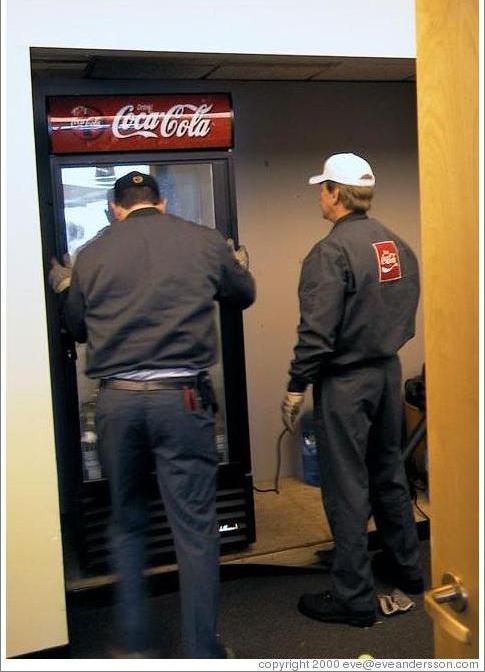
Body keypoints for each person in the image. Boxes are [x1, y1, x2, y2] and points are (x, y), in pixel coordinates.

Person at [49, 171, 255, 658]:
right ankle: (201, 653)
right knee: (194, 529)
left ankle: (136, 646)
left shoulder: (91, 254)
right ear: (161, 203)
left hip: (117, 402)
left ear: (114, 208)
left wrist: (65, 289)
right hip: (181, 399)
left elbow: (75, 327)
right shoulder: (202, 240)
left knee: (127, 522)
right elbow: (242, 295)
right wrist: (238, 264)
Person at [281, 153, 423, 627]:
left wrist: (296, 383)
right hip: (386, 371)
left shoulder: (331, 253)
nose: (318, 195)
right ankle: (408, 569)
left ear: (337, 194)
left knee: (346, 486)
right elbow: (404, 311)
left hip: (345, 382)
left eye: (322, 187)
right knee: (388, 472)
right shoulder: (397, 244)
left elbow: (317, 334)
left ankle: (354, 598)